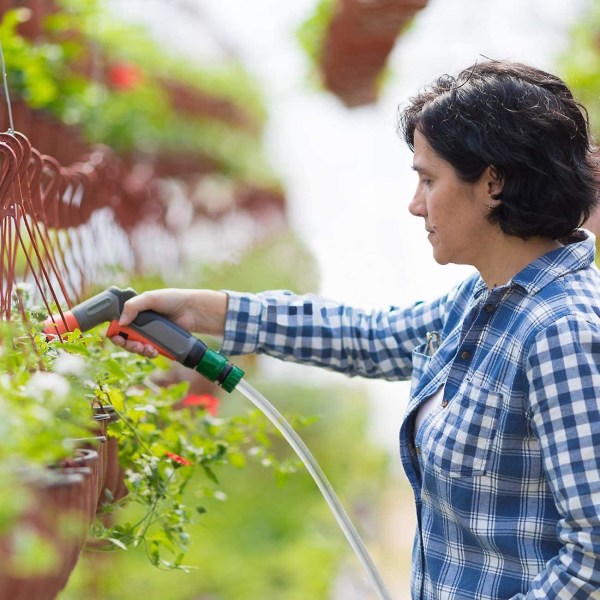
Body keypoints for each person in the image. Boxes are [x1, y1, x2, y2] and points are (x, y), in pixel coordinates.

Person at [112, 59, 600, 599]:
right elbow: (371, 336)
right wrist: (207, 311)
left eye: (428, 179)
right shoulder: (486, 298)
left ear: (493, 182)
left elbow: (592, 556)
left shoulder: (561, 332)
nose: (415, 205)